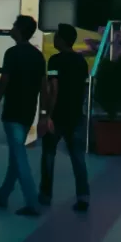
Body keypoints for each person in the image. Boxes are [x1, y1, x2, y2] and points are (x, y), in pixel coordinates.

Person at [0, 14, 46, 216]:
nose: (10, 29)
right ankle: (3, 194)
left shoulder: (12, 53)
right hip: (28, 112)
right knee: (15, 155)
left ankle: (32, 202)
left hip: (12, 113)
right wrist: (44, 113)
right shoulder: (38, 56)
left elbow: (3, 83)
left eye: (13, 26)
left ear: (19, 30)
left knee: (19, 157)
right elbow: (44, 88)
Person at [38, 23, 91, 211]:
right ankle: (83, 196)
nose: (54, 38)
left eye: (56, 35)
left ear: (61, 39)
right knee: (77, 157)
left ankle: (45, 194)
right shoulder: (81, 62)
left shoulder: (54, 61)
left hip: (58, 115)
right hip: (76, 114)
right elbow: (85, 88)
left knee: (48, 155)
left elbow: (54, 89)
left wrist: (46, 114)